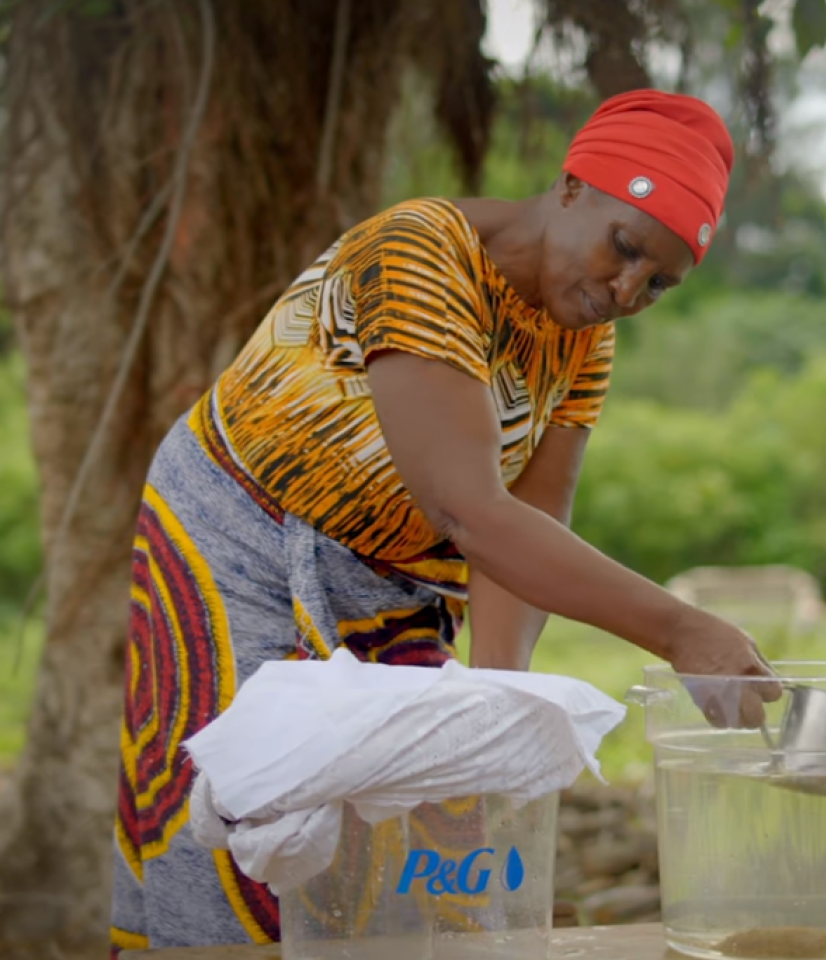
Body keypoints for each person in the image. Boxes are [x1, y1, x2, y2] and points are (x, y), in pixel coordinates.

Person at [108, 88, 781, 953]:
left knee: (431, 834)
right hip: (240, 543)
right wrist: (682, 631)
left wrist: (503, 698)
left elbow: (533, 519)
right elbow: (470, 509)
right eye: (625, 249)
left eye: (658, 282)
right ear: (573, 185)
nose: (626, 289)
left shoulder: (584, 338)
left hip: (401, 581)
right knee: (252, 826)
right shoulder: (421, 250)